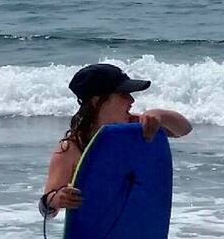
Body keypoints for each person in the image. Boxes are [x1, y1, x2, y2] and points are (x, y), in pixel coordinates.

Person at [39, 63, 192, 218]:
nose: (132, 100)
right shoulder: (72, 148)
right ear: (97, 101)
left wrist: (160, 115)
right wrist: (57, 199)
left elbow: (184, 129)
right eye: (123, 94)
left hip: (137, 229)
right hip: (96, 235)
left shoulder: (138, 127)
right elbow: (46, 208)